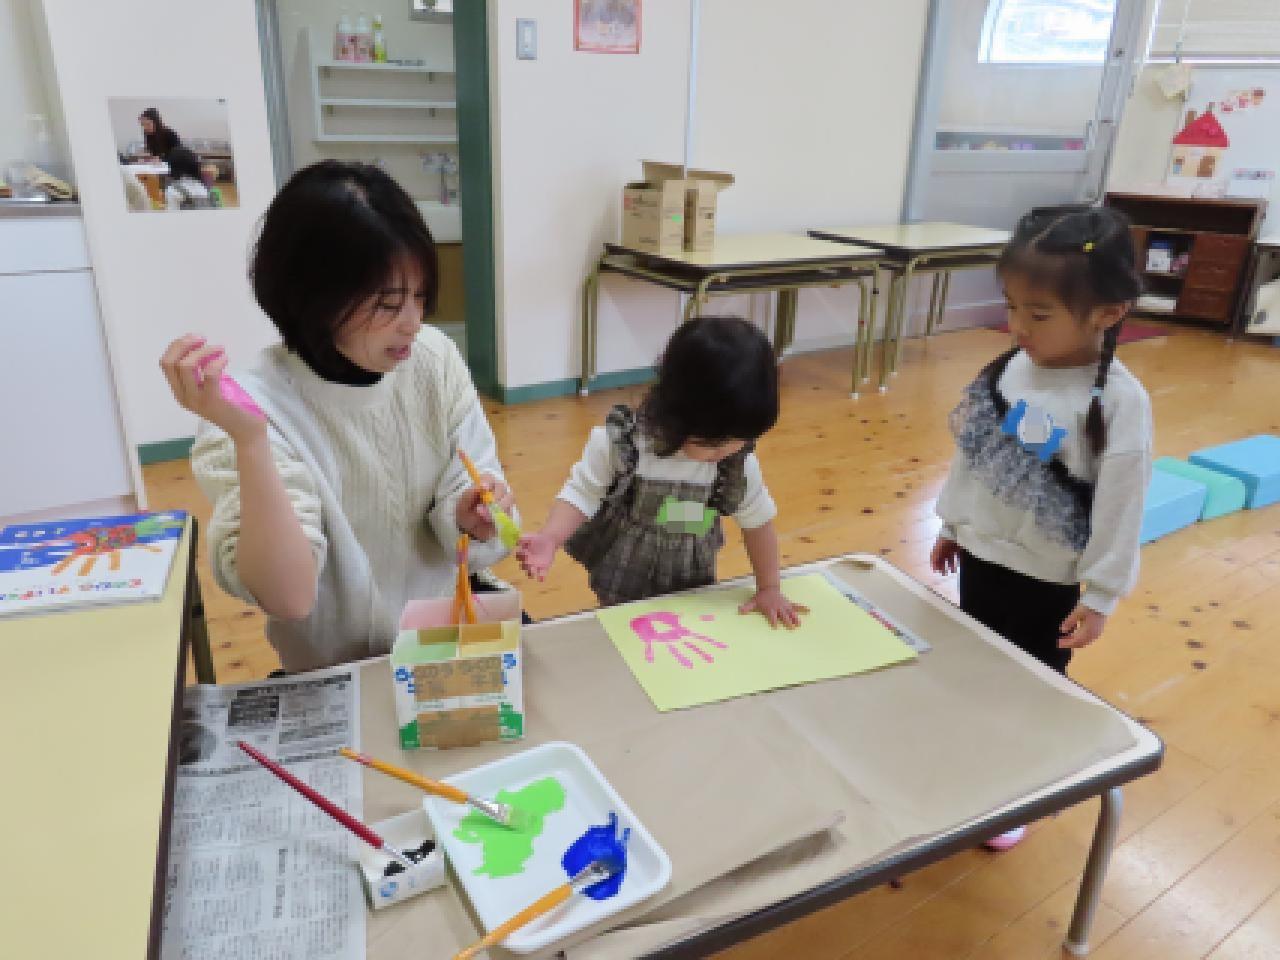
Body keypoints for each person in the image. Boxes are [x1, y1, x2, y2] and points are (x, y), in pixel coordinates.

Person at [159, 160, 515, 672]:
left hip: (441, 643)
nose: (413, 323)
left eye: (419, 297)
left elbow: (482, 500)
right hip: (337, 672)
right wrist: (251, 442)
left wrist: (472, 516)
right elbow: (288, 597)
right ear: (317, 296)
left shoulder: (433, 359)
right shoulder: (251, 410)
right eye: (388, 304)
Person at [930, 206, 1152, 849]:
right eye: (1011, 306)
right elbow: (976, 456)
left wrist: (1102, 594)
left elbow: (1121, 505)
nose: (1017, 326)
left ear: (1108, 313)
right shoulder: (1008, 368)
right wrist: (954, 523)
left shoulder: (1118, 402)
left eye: (1039, 313)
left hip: (1046, 581)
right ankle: (977, 758)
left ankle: (1017, 791)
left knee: (1031, 686)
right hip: (983, 560)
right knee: (979, 665)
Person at [517, 317, 806, 628]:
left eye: (740, 440)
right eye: (712, 444)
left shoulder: (734, 464)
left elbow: (758, 523)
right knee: (625, 630)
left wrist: (769, 587)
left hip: (692, 577)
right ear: (675, 414)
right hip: (625, 567)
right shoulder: (625, 445)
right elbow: (582, 492)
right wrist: (550, 538)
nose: (726, 451)